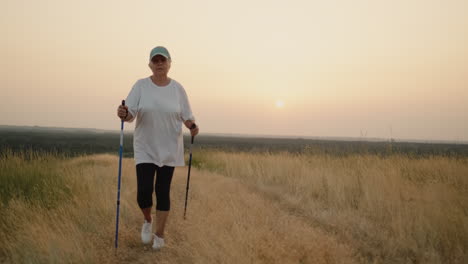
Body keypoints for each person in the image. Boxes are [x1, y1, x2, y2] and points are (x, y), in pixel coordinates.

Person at [116, 46, 199, 250]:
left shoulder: (178, 89)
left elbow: (187, 116)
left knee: (163, 192)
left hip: (169, 148)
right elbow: (130, 114)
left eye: (163, 61)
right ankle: (147, 220)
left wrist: (192, 126)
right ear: (150, 64)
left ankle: (160, 235)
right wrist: (123, 113)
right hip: (145, 147)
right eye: (156, 61)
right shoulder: (141, 86)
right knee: (143, 192)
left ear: (170, 63)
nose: (159, 64)